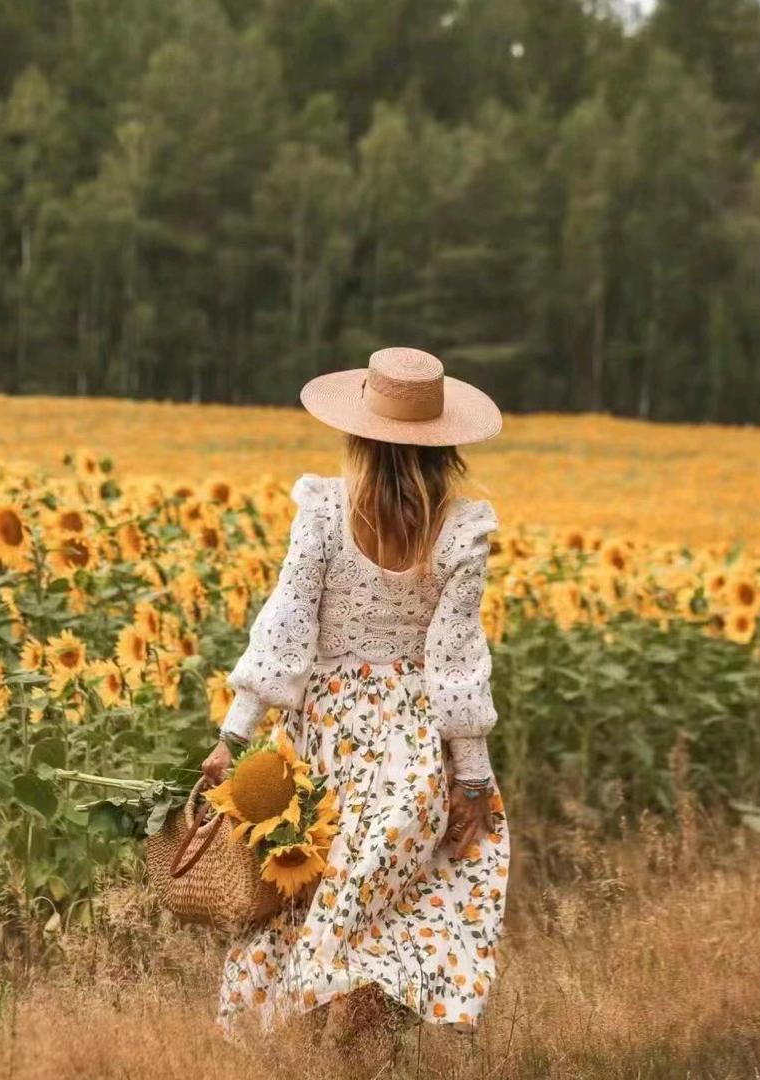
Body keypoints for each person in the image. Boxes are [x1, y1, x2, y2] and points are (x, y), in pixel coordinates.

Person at [200, 347, 509, 1040]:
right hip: (408, 748)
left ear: (358, 433)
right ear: (445, 447)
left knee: (303, 892)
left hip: (322, 738)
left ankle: (301, 1036)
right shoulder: (461, 529)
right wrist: (472, 780)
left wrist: (234, 734)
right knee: (393, 898)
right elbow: (455, 662)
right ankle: (351, 1029)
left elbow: (286, 626)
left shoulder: (322, 511)